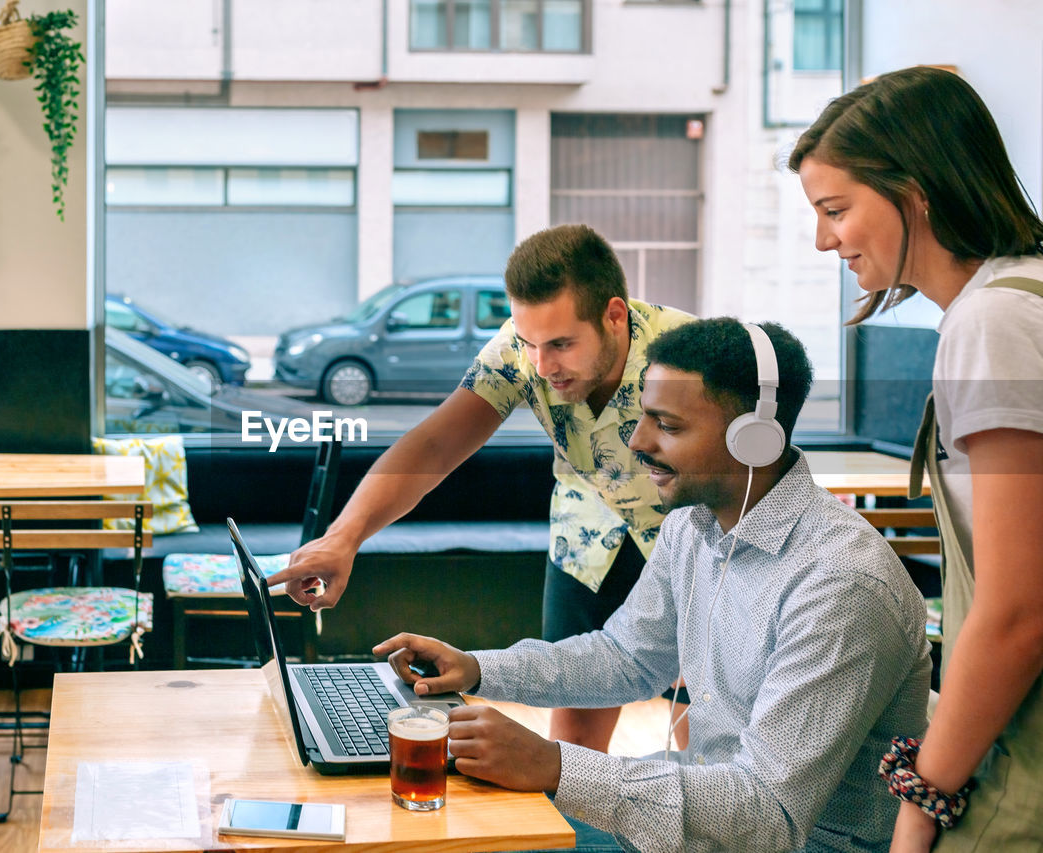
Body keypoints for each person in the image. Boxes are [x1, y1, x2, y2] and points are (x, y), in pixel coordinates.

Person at [375, 318, 932, 852]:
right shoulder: (695, 525)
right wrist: (477, 669)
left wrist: (553, 763)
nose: (637, 441)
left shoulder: (840, 585)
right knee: (464, 826)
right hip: (702, 821)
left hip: (790, 842)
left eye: (668, 426)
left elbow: (768, 815)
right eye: (644, 417)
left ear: (755, 441)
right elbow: (627, 658)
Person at [269, 223, 695, 752]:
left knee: (705, 719)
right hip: (588, 532)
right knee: (575, 733)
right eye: (531, 343)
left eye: (562, 344)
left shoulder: (690, 356)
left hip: (692, 539)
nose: (543, 366)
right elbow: (433, 446)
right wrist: (344, 537)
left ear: (614, 315)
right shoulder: (519, 352)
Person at [791, 65, 1043, 851]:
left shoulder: (992, 324)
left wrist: (919, 803)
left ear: (916, 190)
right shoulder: (1023, 296)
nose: (824, 238)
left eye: (836, 209)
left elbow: (1017, 614)